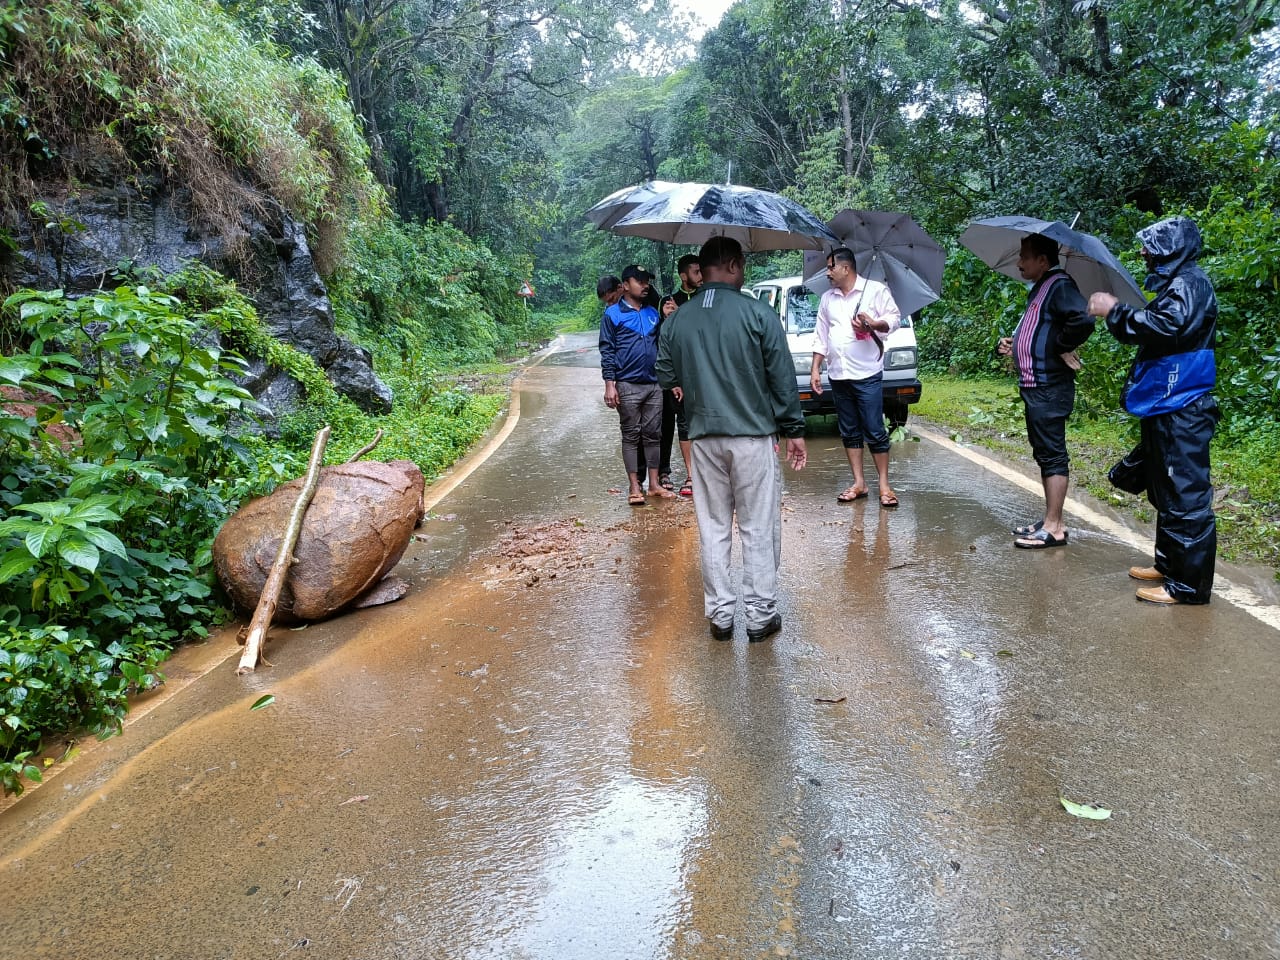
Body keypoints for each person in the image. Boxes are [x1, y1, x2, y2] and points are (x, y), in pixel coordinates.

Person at [656, 237, 807, 643]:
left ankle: (720, 617)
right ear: (735, 265)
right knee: (758, 526)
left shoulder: (676, 320)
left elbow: (666, 376)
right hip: (753, 438)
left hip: (703, 440)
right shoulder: (759, 314)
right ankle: (760, 617)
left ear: (701, 270)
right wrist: (793, 430)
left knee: (714, 526)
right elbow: (782, 378)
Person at [1087, 216, 1219, 604]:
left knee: (1185, 495)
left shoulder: (1190, 283)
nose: (1143, 252)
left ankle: (1188, 586)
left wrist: (1115, 311)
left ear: (1172, 248)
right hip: (1168, 401)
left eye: (1151, 246)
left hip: (1184, 405)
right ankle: (1169, 564)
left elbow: (1166, 328)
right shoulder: (1179, 284)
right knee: (1165, 488)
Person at [996, 233, 1095, 549]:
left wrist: (1061, 345)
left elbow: (1083, 319)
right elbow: (1040, 329)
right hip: (1036, 385)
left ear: (1042, 260)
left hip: (1050, 385)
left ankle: (1054, 526)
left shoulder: (1060, 285)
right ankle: (1051, 518)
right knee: (1044, 452)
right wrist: (1015, 344)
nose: (1019, 262)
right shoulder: (1041, 288)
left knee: (1052, 453)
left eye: (1025, 256)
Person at [810, 247, 902, 508]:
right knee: (849, 430)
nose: (828, 272)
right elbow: (821, 335)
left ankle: (884, 485)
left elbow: (893, 319)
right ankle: (859, 482)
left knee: (874, 429)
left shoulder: (875, 290)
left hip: (867, 372)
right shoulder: (828, 298)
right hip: (838, 374)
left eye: (831, 267)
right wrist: (816, 368)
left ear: (845, 268)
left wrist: (873, 324)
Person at [600, 266, 675, 505]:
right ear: (625, 284)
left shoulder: (653, 312)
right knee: (631, 436)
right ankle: (635, 486)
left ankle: (653, 485)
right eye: (640, 281)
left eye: (647, 281)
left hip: (654, 384)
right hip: (627, 384)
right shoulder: (612, 314)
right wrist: (610, 385)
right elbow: (607, 351)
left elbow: (663, 347)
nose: (645, 285)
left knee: (654, 435)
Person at [657, 294, 694, 495]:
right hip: (667, 381)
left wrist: (680, 315)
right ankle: (663, 472)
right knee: (665, 426)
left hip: (691, 379)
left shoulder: (699, 299)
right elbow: (659, 345)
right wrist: (666, 318)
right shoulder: (667, 302)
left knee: (688, 425)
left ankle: (693, 474)